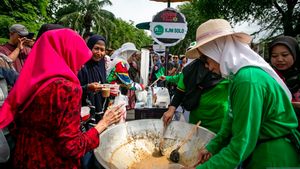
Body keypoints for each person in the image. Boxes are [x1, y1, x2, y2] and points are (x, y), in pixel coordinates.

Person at [184, 19, 300, 169]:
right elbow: (231, 118)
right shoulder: (238, 77)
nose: (207, 67)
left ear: (217, 49)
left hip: (272, 158)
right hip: (259, 152)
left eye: (205, 59)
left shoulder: (248, 80)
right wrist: (212, 147)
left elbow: (241, 144)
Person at [0, 29, 123, 169]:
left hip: (24, 158)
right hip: (52, 162)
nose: (81, 65)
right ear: (66, 53)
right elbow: (72, 147)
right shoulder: (66, 89)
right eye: (78, 57)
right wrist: (104, 123)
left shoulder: (31, 82)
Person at [161, 58, 228, 134]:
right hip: (196, 122)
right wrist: (171, 109)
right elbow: (180, 91)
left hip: (219, 123)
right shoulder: (191, 68)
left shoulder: (228, 70)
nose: (207, 66)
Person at [269, 36, 300, 130]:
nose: (279, 59)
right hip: (279, 129)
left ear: (295, 54)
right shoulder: (268, 77)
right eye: (274, 56)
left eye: (285, 55)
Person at [78, 35, 108, 122]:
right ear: (89, 48)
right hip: (84, 111)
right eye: (96, 48)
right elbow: (74, 89)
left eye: (102, 50)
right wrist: (87, 88)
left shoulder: (101, 65)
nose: (99, 53)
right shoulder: (81, 66)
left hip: (99, 107)